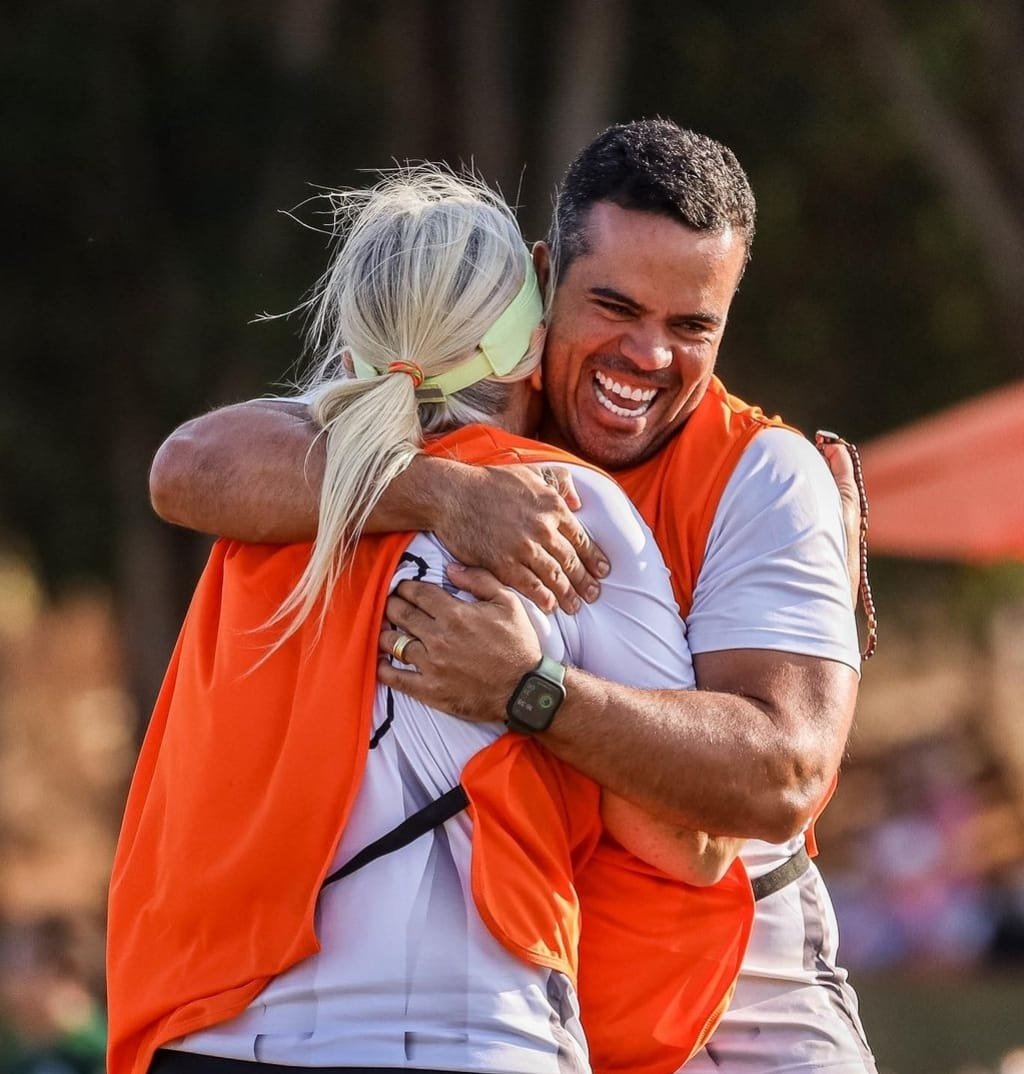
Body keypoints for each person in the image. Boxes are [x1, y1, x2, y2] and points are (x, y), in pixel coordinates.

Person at [149, 121, 877, 1073]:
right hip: (536, 993)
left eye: (691, 325)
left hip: (741, 985)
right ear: (540, 287)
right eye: (614, 307)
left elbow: (780, 778)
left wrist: (530, 693)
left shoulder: (764, 474)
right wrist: (442, 493)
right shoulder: (409, 437)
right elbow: (187, 468)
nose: (648, 356)